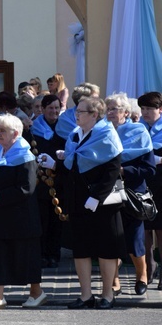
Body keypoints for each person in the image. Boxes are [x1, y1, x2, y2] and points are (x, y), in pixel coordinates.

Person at [45, 97, 123, 309]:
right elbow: (73, 167)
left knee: (106, 250)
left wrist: (96, 197)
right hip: (78, 201)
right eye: (76, 111)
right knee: (81, 249)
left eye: (80, 111)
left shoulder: (107, 134)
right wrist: (54, 164)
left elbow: (112, 170)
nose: (76, 114)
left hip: (104, 203)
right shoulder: (75, 135)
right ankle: (86, 295)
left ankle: (108, 295)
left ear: (94, 115)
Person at [0, 113, 45, 310]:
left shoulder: (25, 157)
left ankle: (36, 293)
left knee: (25, 255)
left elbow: (26, 188)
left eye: (3, 130)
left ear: (16, 133)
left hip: (21, 217)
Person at [106, 93, 154, 295]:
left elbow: (149, 168)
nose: (110, 112)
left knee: (134, 238)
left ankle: (141, 275)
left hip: (133, 191)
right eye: (107, 108)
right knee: (111, 236)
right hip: (109, 190)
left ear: (126, 112)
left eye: (114, 109)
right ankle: (114, 282)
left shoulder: (138, 132)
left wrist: (125, 171)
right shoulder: (101, 133)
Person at [30, 94, 65, 268]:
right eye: (50, 108)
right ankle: (42, 253)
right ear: (42, 109)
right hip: (41, 180)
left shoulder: (65, 128)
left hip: (59, 177)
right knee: (42, 218)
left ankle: (54, 254)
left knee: (57, 218)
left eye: (57, 108)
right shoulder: (34, 129)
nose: (54, 111)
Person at [138, 91, 162, 288]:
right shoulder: (138, 129)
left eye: (149, 109)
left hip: (161, 183)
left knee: (161, 229)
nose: (145, 112)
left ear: (160, 109)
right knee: (144, 228)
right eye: (143, 108)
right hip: (143, 183)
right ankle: (148, 267)